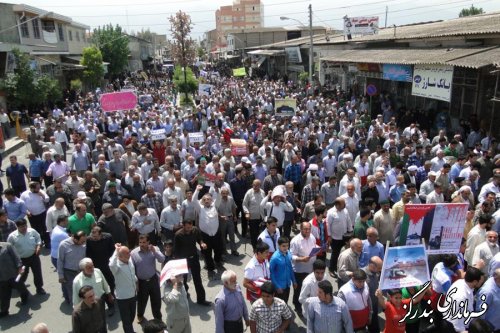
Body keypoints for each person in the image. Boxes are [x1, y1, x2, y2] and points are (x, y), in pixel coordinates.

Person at [173, 219, 211, 306]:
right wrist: (178, 264)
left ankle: (201, 299)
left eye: (190, 227)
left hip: (194, 258)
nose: (189, 229)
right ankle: (184, 296)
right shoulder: (178, 235)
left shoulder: (195, 230)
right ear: (183, 226)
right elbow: (176, 251)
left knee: (198, 279)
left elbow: (199, 239)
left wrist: (202, 243)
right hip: (183, 261)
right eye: (187, 228)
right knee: (184, 280)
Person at [130, 234, 164, 323]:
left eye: (144, 242)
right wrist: (136, 283)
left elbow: (162, 259)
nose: (142, 244)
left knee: (156, 300)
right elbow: (132, 270)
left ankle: (158, 318)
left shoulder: (154, 249)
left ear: (148, 242)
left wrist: (154, 251)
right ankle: (140, 315)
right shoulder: (133, 253)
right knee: (142, 301)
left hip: (153, 280)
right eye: (140, 242)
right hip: (141, 282)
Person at [7, 219, 46, 295]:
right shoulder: (12, 236)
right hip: (22, 260)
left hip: (34, 256)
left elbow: (38, 238)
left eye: (25, 225)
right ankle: (22, 290)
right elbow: (9, 248)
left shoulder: (32, 231)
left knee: (37, 273)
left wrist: (38, 245)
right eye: (21, 227)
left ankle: (39, 288)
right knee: (22, 275)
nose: (24, 228)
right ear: (17, 227)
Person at [72, 257, 114, 325]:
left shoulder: (98, 271)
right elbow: (76, 298)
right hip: (88, 305)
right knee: (92, 325)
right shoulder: (77, 281)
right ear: (82, 269)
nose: (92, 269)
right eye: (88, 267)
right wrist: (77, 312)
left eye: (92, 266)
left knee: (102, 322)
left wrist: (109, 295)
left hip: (100, 302)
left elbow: (105, 284)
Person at [192, 185, 223, 276]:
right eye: (204, 199)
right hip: (205, 235)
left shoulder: (215, 206)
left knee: (218, 250)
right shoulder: (200, 208)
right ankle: (210, 267)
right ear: (202, 201)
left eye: (208, 199)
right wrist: (197, 190)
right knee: (207, 252)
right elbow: (194, 200)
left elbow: (219, 197)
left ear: (211, 200)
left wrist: (218, 190)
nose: (206, 201)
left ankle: (217, 261)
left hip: (216, 233)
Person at [445, 266, 485, 332]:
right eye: (481, 281)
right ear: (475, 282)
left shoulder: (463, 283)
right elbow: (457, 325)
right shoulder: (461, 297)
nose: (482, 283)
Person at [109, 243, 137, 333]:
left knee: (132, 316)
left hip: (133, 295)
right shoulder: (116, 266)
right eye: (127, 254)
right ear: (119, 256)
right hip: (123, 298)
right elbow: (111, 264)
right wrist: (116, 251)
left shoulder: (129, 260)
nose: (129, 255)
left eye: (129, 252)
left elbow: (132, 273)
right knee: (126, 320)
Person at [290, 221, 316, 314]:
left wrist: (318, 248)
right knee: (298, 290)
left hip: (310, 269)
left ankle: (306, 305)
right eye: (305, 229)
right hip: (299, 271)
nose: (308, 231)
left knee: (308, 289)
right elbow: (291, 256)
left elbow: (314, 246)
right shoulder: (295, 241)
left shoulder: (312, 237)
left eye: (309, 229)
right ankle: (297, 306)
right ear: (300, 229)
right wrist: (301, 259)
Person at [0, 241, 29, 317]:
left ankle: (24, 297)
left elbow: (16, 257)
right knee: (4, 295)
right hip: (2, 278)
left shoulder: (7, 246)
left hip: (13, 274)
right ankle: (4, 311)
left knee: (21, 288)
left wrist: (19, 267)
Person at [58, 231, 87, 304]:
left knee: (83, 289)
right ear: (75, 239)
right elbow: (60, 261)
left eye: (84, 241)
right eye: (82, 241)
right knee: (72, 291)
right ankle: (75, 308)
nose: (84, 243)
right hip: (69, 272)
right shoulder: (64, 245)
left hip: (81, 271)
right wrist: (60, 275)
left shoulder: (84, 243)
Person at [86, 226, 116, 296]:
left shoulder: (108, 237)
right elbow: (88, 254)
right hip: (97, 266)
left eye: (96, 237)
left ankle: (111, 296)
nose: (94, 238)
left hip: (108, 264)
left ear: (101, 234)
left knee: (110, 282)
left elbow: (112, 250)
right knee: (100, 283)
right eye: (92, 236)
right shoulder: (89, 240)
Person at [20, 182, 50, 249]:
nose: (39, 189)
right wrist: (27, 212)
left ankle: (47, 242)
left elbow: (47, 200)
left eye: (39, 187)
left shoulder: (40, 192)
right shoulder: (24, 194)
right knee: (35, 229)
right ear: (32, 188)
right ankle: (39, 242)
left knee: (45, 228)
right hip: (32, 216)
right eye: (37, 188)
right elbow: (22, 205)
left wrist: (42, 195)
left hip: (42, 213)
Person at [269, 236, 297, 303]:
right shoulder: (274, 258)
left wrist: (294, 281)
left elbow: (290, 268)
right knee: (278, 306)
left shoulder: (289, 253)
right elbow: (271, 274)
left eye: (287, 245)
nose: (286, 248)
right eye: (283, 246)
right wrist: (277, 286)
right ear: (279, 245)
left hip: (287, 285)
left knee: (285, 303)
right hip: (279, 287)